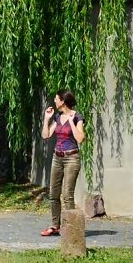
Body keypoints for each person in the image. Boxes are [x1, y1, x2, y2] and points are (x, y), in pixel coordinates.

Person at [41, 89, 85, 236]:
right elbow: (45, 135)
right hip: (57, 158)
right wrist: (47, 119)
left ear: (63, 101)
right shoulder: (58, 117)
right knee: (53, 194)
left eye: (56, 99)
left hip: (71, 158)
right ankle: (55, 226)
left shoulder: (78, 117)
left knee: (67, 195)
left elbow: (80, 139)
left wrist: (71, 121)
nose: (54, 101)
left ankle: (71, 229)